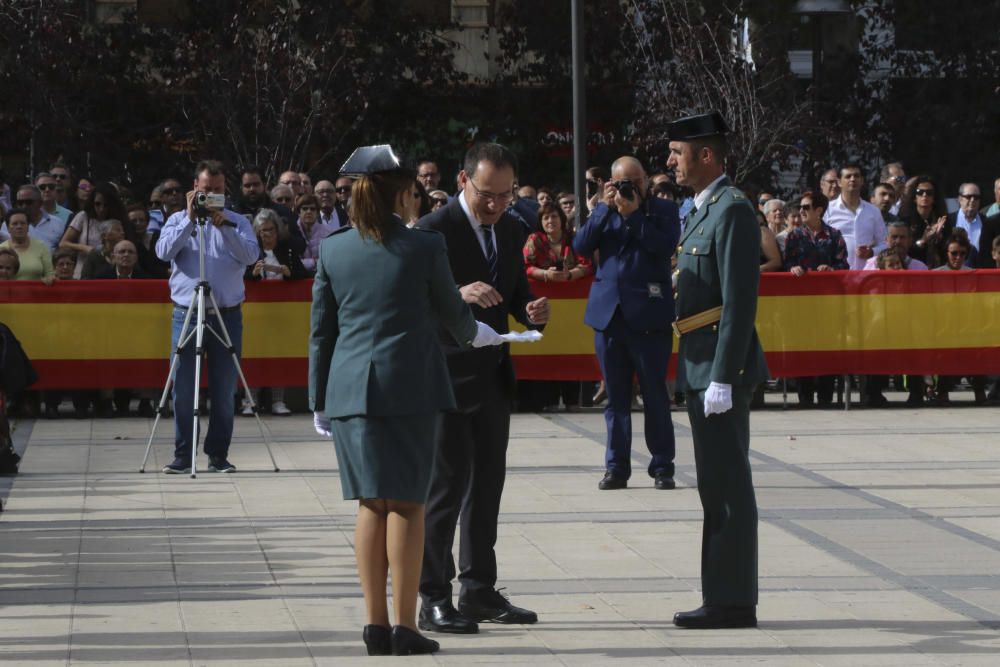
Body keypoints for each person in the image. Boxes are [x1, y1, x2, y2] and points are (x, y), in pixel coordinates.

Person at [308, 145, 505, 656]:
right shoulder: (424, 247)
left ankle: (375, 626)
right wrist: (480, 334)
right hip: (410, 388)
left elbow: (321, 335)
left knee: (371, 504)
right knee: (409, 507)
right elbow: (455, 317)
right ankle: (404, 626)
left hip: (350, 390)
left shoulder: (333, 249)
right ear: (401, 194)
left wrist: (318, 399)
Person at [416, 142, 549, 634]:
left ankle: (479, 589)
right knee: (444, 490)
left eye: (505, 195)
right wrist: (456, 294)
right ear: (462, 181)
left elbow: (514, 294)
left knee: (487, 488)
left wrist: (533, 309)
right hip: (445, 379)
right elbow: (407, 301)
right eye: (486, 194)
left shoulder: (512, 228)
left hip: (493, 377)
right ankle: (432, 595)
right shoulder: (432, 231)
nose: (495, 205)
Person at [667, 111, 768, 629]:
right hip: (699, 361)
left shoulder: (731, 210)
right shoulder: (701, 209)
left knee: (727, 484)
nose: (671, 161)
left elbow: (739, 301)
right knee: (714, 483)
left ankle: (731, 601)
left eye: (678, 152)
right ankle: (724, 594)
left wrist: (725, 374)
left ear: (707, 155)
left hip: (718, 367)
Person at [573, 156, 680, 491]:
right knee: (615, 400)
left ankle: (662, 466)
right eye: (621, 182)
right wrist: (602, 210)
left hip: (649, 315)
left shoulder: (662, 211)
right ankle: (616, 467)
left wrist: (633, 216)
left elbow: (663, 249)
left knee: (655, 395)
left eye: (634, 182)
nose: (627, 188)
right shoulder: (604, 211)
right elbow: (580, 246)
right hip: (609, 317)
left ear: (646, 181)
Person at [155, 159, 260, 474]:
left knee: (225, 389)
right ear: (194, 189)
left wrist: (222, 226)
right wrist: (189, 220)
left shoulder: (237, 221)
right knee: (183, 387)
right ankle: (183, 454)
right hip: (187, 312)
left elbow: (250, 256)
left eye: (217, 191)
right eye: (206, 191)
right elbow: (163, 252)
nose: (211, 196)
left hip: (226, 314)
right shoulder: (176, 219)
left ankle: (218, 455)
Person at [522, 201, 592, 412]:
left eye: (554, 217)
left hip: (571, 310)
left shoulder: (574, 239)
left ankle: (572, 399)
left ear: (562, 220)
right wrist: (546, 275)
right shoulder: (534, 240)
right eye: (545, 218)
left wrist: (570, 275)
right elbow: (525, 266)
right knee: (547, 350)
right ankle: (550, 399)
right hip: (544, 307)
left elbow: (587, 265)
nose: (550, 221)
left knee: (572, 348)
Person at [783, 192, 849, 407]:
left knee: (826, 348)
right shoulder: (794, 236)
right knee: (803, 347)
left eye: (806, 207)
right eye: (800, 207)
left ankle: (825, 397)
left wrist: (830, 269)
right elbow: (787, 263)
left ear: (819, 210)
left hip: (827, 302)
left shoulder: (834, 235)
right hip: (801, 302)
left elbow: (843, 266)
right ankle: (804, 397)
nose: (801, 211)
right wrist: (792, 268)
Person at [243, 209, 307, 417]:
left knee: (279, 355)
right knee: (253, 357)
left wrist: (288, 273)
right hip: (256, 314)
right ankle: (249, 399)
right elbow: (240, 277)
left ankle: (278, 400)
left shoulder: (286, 250)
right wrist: (252, 275)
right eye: (262, 231)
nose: (267, 234)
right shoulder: (251, 252)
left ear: (277, 231)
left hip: (282, 314)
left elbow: (303, 274)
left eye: (270, 230)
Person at [823, 164, 887, 270]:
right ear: (839, 182)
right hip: (837, 274)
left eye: (856, 176)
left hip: (867, 275)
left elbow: (884, 244)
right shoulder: (828, 210)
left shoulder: (873, 211)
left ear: (862, 181)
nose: (852, 179)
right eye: (848, 176)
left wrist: (871, 252)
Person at [60, 182, 128, 278]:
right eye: (97, 204)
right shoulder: (83, 217)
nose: (101, 209)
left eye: (106, 205)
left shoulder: (119, 221)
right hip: (83, 272)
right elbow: (63, 243)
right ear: (92, 202)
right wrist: (85, 248)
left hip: (112, 273)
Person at [0, 209, 55, 284]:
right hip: (9, 294)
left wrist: (48, 279)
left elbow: (50, 274)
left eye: (22, 223)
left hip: (35, 294)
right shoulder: (1, 248)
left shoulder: (41, 246)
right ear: (8, 228)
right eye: (15, 224)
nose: (19, 226)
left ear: (28, 226)